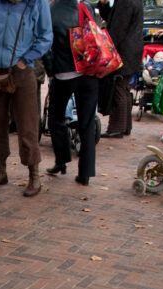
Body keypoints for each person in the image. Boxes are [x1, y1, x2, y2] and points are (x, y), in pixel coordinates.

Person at [0, 0, 52, 196]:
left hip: (21, 71)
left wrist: (24, 61)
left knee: (27, 124)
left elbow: (46, 36)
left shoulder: (37, 3)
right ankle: (0, 171)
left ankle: (34, 176)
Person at [46, 0, 99, 186]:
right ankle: (85, 173)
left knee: (56, 117)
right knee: (87, 123)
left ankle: (61, 161)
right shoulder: (85, 6)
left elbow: (46, 44)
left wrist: (50, 70)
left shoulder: (51, 10)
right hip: (89, 71)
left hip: (64, 72)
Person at [98, 0, 143, 138]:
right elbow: (113, 18)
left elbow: (117, 28)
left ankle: (117, 127)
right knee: (123, 87)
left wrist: (105, 47)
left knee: (118, 86)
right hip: (131, 50)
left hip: (125, 51)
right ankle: (125, 126)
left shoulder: (126, 2)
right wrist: (104, 6)